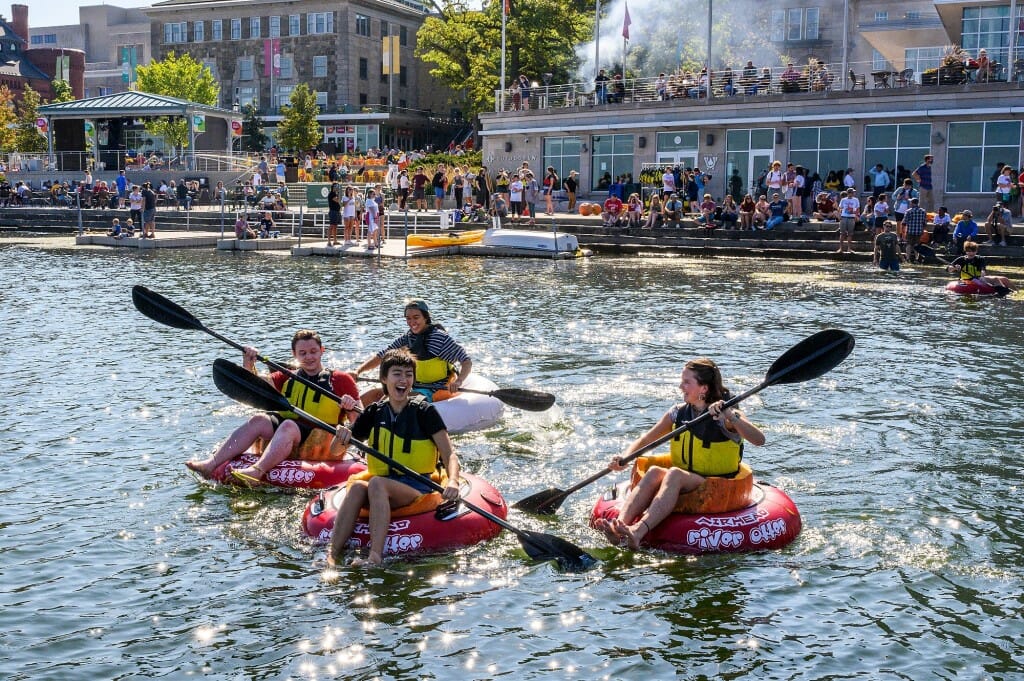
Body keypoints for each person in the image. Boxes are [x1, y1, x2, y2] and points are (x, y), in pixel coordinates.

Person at [593, 358, 765, 549]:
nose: (680, 386)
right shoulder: (677, 413)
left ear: (704, 389)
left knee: (674, 474)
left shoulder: (727, 415)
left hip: (718, 485)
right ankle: (619, 526)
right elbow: (644, 441)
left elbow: (759, 440)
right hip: (689, 477)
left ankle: (638, 532)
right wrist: (625, 458)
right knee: (654, 472)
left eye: (686, 382)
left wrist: (730, 415)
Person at [327, 349, 461, 567]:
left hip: (417, 486)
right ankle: (331, 556)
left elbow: (449, 454)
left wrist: (454, 481)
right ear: (384, 378)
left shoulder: (425, 412)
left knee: (377, 484)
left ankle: (374, 557)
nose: (404, 380)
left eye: (409, 374)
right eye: (397, 374)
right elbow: (335, 452)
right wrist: (340, 437)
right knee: (358, 488)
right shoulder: (373, 412)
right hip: (383, 486)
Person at [185, 330, 360, 483]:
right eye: (303, 353)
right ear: (295, 355)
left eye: (313, 351)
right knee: (259, 419)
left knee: (288, 426)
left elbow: (359, 422)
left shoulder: (341, 379)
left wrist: (350, 406)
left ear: (322, 351)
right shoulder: (287, 376)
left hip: (321, 437)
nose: (309, 357)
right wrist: (249, 363)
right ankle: (212, 463)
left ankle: (256, 472)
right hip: (289, 428)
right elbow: (256, 387)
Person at [350, 299, 473, 406]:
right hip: (412, 385)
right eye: (408, 318)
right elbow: (382, 356)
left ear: (426, 317)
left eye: (416, 317)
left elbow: (466, 361)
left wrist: (459, 381)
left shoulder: (440, 338)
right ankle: (351, 421)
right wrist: (358, 371)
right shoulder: (406, 339)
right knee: (375, 395)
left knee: (395, 399)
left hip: (434, 389)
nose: (412, 322)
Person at [946, 241, 1014, 291]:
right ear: (966, 251)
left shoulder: (980, 259)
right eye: (969, 251)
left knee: (1004, 279)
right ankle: (1004, 293)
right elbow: (948, 269)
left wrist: (982, 275)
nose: (971, 253)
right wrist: (954, 267)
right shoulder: (961, 259)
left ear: (976, 251)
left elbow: (983, 269)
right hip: (966, 280)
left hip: (979, 278)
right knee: (996, 279)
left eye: (973, 251)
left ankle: (1016, 292)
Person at [901, 198, 928, 262]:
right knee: (917, 245)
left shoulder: (908, 211)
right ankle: (916, 258)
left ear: (912, 203)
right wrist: (922, 229)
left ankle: (908, 258)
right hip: (919, 231)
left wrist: (903, 232)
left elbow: (904, 222)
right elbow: (924, 223)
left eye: (910, 202)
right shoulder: (923, 211)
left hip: (910, 231)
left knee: (909, 244)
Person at [326, 182, 341, 247]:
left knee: (335, 226)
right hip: (333, 212)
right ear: (333, 187)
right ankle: (329, 241)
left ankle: (335, 241)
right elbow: (337, 200)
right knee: (331, 226)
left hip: (336, 211)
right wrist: (339, 193)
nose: (337, 187)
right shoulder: (332, 194)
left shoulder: (335, 193)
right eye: (336, 186)